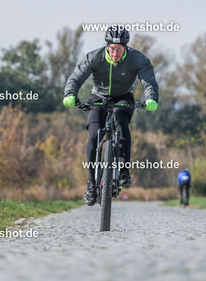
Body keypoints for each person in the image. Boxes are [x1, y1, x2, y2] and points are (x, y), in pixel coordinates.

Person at [63, 25, 159, 206]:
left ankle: (124, 172)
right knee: (93, 136)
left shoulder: (137, 59)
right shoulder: (94, 57)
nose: (115, 53)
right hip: (98, 98)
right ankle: (91, 184)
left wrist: (151, 98)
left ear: (126, 48)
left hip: (123, 98)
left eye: (120, 49)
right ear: (107, 46)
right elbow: (76, 77)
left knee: (121, 124)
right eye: (112, 48)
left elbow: (149, 82)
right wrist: (70, 94)